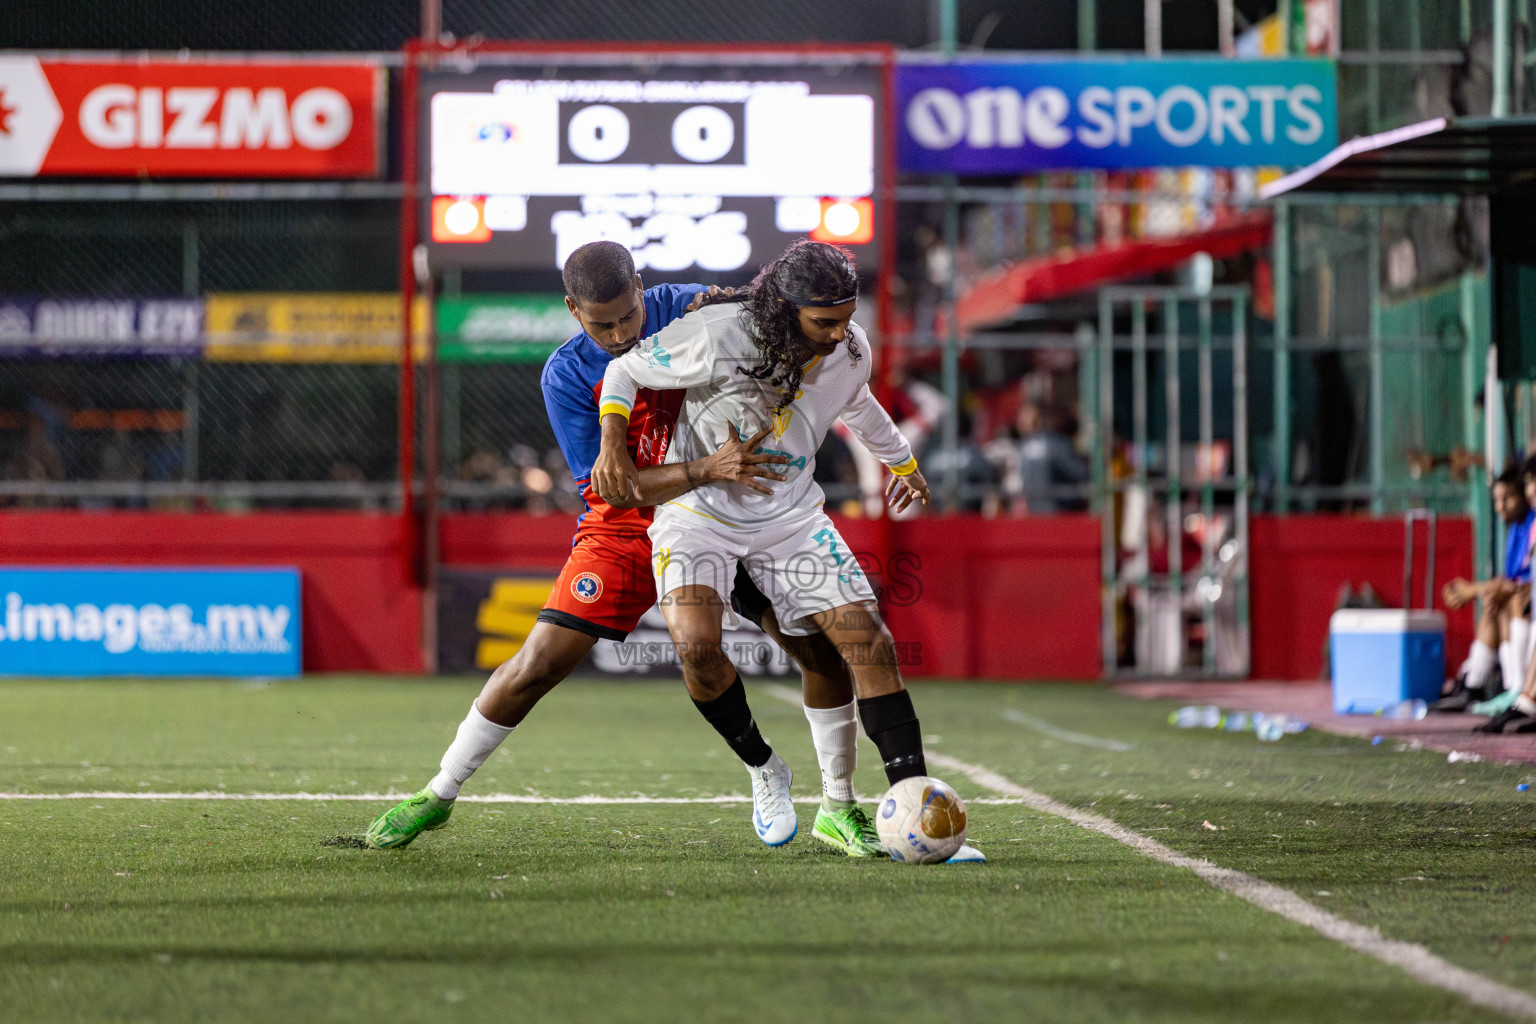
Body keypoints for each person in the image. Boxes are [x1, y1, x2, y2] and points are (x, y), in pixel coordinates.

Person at [363, 242, 883, 858]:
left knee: (819, 653)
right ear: (572, 310)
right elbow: (615, 490)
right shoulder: (565, 376)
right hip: (627, 527)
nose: (619, 335)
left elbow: (775, 310)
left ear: (640, 288)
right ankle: (439, 792)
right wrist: (703, 466)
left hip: (728, 509)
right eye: (600, 324)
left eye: (627, 317)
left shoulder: (689, 307)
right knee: (538, 665)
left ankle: (839, 807)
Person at [593, 239, 982, 863]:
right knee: (697, 649)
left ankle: (893, 809)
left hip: (791, 518)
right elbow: (624, 371)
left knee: (868, 643)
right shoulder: (719, 333)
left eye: (847, 317)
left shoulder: (848, 350)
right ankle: (763, 766)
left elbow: (859, 403)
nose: (841, 333)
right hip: (698, 515)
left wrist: (903, 463)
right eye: (825, 321)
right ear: (783, 309)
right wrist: (613, 443)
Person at [1436, 464, 1533, 713]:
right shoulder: (1517, 527)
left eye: (1507, 498)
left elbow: (1519, 584)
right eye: (1496, 500)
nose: (1500, 506)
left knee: (1512, 600)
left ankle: (1518, 688)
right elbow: (1510, 580)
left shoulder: (1531, 522)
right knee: (1495, 600)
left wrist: (1471, 590)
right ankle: (1473, 684)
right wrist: (1486, 591)